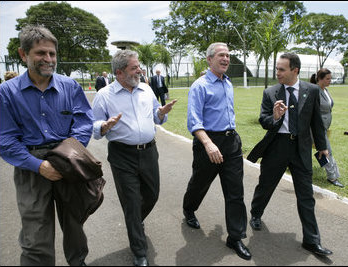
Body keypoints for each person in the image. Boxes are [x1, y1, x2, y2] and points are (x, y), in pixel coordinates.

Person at [0, 25, 94, 266]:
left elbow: (83, 122)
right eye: (41, 53)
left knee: (75, 224)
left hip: (68, 160)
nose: (48, 59)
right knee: (36, 235)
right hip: (31, 166)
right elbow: (6, 139)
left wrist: (68, 156)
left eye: (52, 53)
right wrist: (39, 165)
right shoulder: (6, 93)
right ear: (23, 55)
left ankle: (78, 262)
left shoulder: (69, 86)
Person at [92, 50, 177, 266]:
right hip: (122, 155)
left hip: (149, 151)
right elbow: (92, 127)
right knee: (131, 202)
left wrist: (161, 113)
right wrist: (104, 126)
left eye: (138, 66)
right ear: (119, 72)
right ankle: (139, 252)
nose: (139, 70)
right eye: (134, 67)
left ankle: (135, 223)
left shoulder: (146, 90)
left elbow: (157, 118)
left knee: (152, 194)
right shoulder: (104, 95)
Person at [247, 53, 333, 257]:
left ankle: (312, 240)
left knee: (306, 195)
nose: (277, 73)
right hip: (277, 147)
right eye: (277, 69)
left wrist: (321, 146)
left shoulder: (311, 91)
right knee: (266, 185)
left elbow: (316, 121)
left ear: (295, 70)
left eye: (282, 69)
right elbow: (264, 120)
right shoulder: (270, 92)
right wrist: (275, 117)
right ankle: (256, 213)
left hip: (301, 149)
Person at [182, 42, 251, 261]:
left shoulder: (228, 83)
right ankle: (189, 208)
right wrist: (208, 143)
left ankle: (235, 237)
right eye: (221, 55)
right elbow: (194, 121)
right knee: (200, 183)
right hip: (208, 143)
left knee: (235, 191)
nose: (226, 59)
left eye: (228, 55)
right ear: (209, 59)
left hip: (231, 143)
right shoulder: (200, 86)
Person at [310, 69, 344, 187]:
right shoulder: (314, 91)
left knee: (304, 149)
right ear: (319, 79)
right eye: (327, 79)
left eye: (330, 78)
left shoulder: (326, 91)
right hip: (316, 128)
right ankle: (332, 177)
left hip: (324, 126)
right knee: (325, 151)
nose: (330, 81)